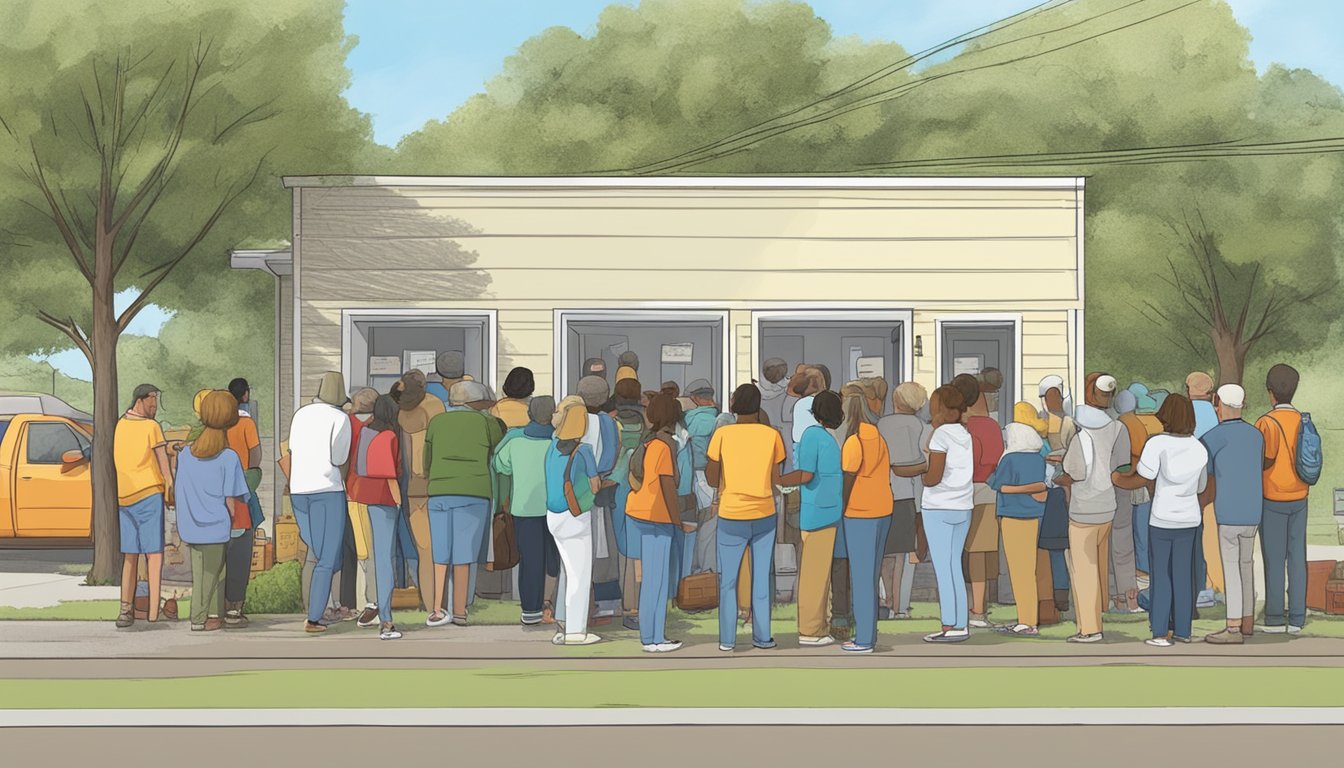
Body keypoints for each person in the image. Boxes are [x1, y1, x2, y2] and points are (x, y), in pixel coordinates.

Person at [1114, 394, 1208, 647]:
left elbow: (1144, 475)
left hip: (1162, 518)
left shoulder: (1157, 444)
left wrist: (1117, 478)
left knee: (1161, 576)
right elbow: (1201, 487)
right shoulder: (1199, 448)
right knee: (1182, 576)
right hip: (1189, 519)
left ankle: (1159, 632)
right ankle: (1183, 630)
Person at [707, 384, 787, 652]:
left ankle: (727, 640)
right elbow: (777, 478)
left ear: (734, 404)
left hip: (731, 513)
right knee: (761, 577)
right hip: (764, 512)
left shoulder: (722, 434)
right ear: (758, 405)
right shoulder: (772, 435)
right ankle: (763, 637)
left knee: (728, 581)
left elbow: (710, 476)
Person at [424, 380, 504, 627]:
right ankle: (459, 611)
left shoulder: (436, 422)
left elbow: (426, 460)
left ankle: (437, 609)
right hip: (473, 492)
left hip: (438, 491)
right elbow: (497, 447)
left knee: (440, 554)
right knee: (463, 555)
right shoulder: (485, 422)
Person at [1056, 372, 1127, 643]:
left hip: (1083, 508)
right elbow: (1119, 464)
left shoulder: (1081, 435)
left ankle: (1089, 629)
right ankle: (1100, 611)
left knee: (1083, 570)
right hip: (1107, 505)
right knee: (1100, 565)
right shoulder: (1118, 428)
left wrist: (1058, 477)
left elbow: (1074, 471)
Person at [175, 390, 250, 632]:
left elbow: (181, 490)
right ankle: (199, 618)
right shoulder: (229, 457)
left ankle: (209, 615)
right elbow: (232, 498)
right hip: (216, 525)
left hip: (190, 523)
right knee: (212, 572)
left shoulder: (185, 455)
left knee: (203, 571)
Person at [287, 372, 353, 633]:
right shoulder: (340, 418)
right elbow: (339, 458)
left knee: (316, 551)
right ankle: (314, 617)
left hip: (299, 489)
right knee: (327, 556)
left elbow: (291, 450)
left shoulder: (301, 415)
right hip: (328, 489)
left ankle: (319, 606)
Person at [625, 394, 692, 652]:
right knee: (657, 579)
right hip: (657, 515)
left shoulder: (649, 441)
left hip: (640, 511)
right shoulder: (665, 447)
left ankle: (650, 635)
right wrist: (678, 523)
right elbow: (667, 488)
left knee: (651, 578)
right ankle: (654, 638)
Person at [1199, 384, 1263, 644]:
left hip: (1228, 510)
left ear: (1218, 403)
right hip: (1252, 510)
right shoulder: (1256, 435)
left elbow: (1207, 479)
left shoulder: (1211, 438)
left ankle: (1233, 628)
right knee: (1246, 565)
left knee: (1231, 568)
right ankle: (1248, 621)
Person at [494, 397, 561, 626]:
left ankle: (530, 610)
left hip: (524, 509)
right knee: (553, 558)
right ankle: (548, 603)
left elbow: (500, 465)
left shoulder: (515, 439)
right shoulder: (559, 440)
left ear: (530, 414)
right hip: (555, 507)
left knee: (531, 560)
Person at [113, 384, 174, 628]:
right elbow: (163, 465)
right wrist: (170, 488)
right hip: (149, 494)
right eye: (153, 401)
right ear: (141, 399)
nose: (155, 406)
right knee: (154, 556)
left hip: (124, 497)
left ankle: (125, 609)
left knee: (130, 556)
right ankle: (152, 612)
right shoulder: (152, 427)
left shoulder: (120, 424)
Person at [346, 394, 406, 640]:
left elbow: (359, 465)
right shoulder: (391, 435)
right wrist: (399, 499)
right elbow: (393, 472)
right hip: (385, 498)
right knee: (384, 557)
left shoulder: (365, 433)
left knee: (373, 555)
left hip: (363, 496)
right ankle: (387, 619)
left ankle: (380, 611)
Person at [839, 390, 895, 653]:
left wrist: (842, 504)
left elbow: (848, 478)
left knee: (860, 577)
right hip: (883, 508)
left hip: (859, 512)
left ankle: (863, 639)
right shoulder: (878, 438)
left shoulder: (853, 442)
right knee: (871, 576)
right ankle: (869, 634)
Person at [1257, 364, 1310, 634]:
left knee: (1274, 558)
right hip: (1300, 495)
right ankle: (1298, 616)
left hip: (1273, 497)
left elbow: (1262, 460)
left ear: (1270, 392)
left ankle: (1276, 616)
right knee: (1297, 556)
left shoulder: (1266, 422)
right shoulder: (1303, 420)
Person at [919, 385, 975, 643]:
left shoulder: (940, 435)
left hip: (939, 506)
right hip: (963, 505)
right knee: (955, 565)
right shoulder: (965, 434)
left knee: (943, 568)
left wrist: (921, 474)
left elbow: (933, 477)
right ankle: (960, 623)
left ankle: (950, 624)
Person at [546, 396, 603, 645]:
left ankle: (564, 625)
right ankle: (576, 632)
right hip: (576, 515)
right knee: (579, 576)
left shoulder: (551, 445)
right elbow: (595, 484)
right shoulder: (585, 450)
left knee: (567, 571)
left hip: (553, 515)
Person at [987, 423, 1048, 636]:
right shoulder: (1038, 459)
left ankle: (1026, 621)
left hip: (1012, 515)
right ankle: (1028, 618)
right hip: (1033, 515)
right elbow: (1041, 485)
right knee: (1028, 569)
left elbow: (997, 484)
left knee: (1017, 569)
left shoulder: (1010, 459)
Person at [953, 373, 1004, 629]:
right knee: (981, 552)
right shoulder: (991, 426)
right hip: (986, 490)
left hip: (963, 491)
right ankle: (978, 608)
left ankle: (974, 608)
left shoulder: (960, 427)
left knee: (968, 551)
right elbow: (994, 460)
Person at [794, 391, 845, 645]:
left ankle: (819, 626)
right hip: (819, 514)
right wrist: (779, 480)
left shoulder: (822, 435)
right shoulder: (815, 436)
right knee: (815, 575)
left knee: (821, 573)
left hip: (825, 511)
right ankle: (811, 630)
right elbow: (805, 474)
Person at [393, 371, 446, 613]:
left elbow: (408, 457)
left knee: (425, 550)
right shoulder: (435, 405)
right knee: (443, 548)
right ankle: (441, 603)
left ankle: (428, 602)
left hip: (415, 489)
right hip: (440, 484)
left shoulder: (402, 413)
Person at [878, 382, 929, 621]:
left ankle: (886, 598)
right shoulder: (923, 427)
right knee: (906, 555)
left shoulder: (882, 424)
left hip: (883, 492)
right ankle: (900, 605)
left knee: (885, 553)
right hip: (910, 496)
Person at [222, 378, 264, 628]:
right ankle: (236, 606)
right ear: (245, 395)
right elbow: (256, 454)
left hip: (218, 494)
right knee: (241, 544)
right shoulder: (246, 422)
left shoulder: (218, 423)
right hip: (241, 488)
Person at [339, 388, 380, 628]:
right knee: (373, 548)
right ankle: (371, 601)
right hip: (378, 492)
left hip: (353, 490)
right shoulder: (380, 425)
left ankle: (362, 601)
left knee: (359, 549)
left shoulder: (349, 424)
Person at [1185, 371, 1222, 610]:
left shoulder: (1188, 413)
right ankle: (1216, 585)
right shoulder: (1215, 414)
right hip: (1213, 482)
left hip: (1190, 483)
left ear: (1189, 390)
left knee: (1193, 537)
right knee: (1211, 535)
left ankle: (1198, 587)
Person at [684, 379, 721, 574]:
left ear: (695, 398)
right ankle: (709, 568)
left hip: (701, 477)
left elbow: (697, 456)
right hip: (716, 476)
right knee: (710, 525)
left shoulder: (694, 420)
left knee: (705, 522)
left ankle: (702, 570)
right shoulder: (721, 418)